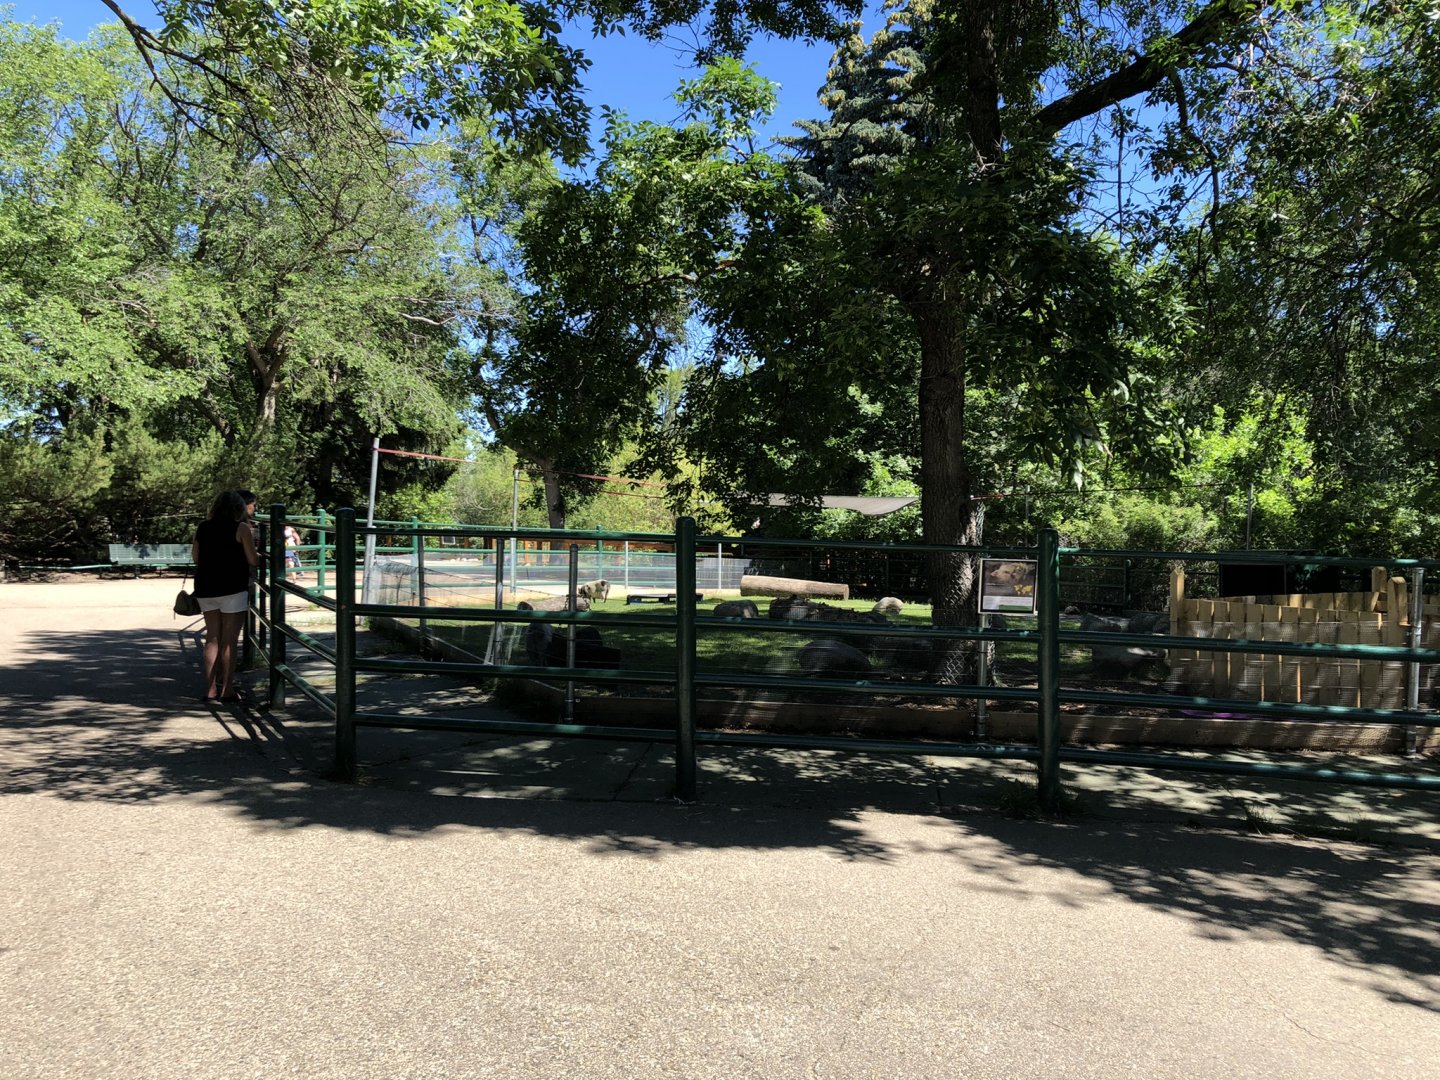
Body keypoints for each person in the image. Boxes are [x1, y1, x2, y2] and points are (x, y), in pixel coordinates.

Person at [191, 490, 257, 702]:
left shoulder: (203, 527)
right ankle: (227, 689)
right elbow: (252, 560)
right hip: (233, 588)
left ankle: (209, 689)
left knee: (212, 638)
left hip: (206, 587)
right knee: (229, 640)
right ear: (239, 508)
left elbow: (195, 557)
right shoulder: (241, 528)